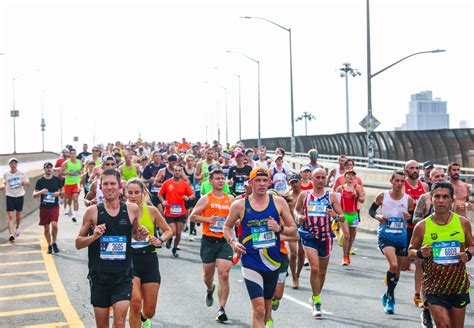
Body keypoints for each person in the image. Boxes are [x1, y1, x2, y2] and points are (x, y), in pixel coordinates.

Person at [223, 167, 298, 328]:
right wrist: (233, 242)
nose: (262, 184)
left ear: (270, 182)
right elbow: (227, 227)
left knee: (265, 308)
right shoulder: (239, 205)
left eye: (265, 180)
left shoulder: (278, 202)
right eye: (258, 180)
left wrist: (279, 229)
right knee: (258, 309)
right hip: (251, 262)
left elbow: (293, 229)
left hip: (272, 263)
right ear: (250, 183)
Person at [75, 169, 149, 328]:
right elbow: (78, 243)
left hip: (123, 277)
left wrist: (142, 234)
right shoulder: (92, 212)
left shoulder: (131, 209)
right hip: (99, 278)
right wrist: (94, 236)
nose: (109, 187)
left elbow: (135, 234)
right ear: (100, 187)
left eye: (113, 183)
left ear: (120, 185)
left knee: (120, 322)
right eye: (106, 184)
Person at [409, 182, 473, 328]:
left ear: (452, 199)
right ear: (431, 199)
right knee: (443, 325)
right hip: (434, 286)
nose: (441, 200)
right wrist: (420, 253)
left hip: (458, 285)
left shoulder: (463, 223)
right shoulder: (422, 226)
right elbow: (410, 250)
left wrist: (468, 254)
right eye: (437, 196)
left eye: (445, 197)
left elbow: (472, 245)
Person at [295, 168, 343, 318]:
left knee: (322, 272)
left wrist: (335, 215)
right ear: (312, 179)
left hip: (326, 237)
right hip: (309, 235)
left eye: (323, 177)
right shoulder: (305, 195)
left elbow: (342, 217)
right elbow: (296, 211)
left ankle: (315, 295)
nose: (321, 180)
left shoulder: (332, 197)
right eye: (318, 177)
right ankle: (317, 302)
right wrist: (299, 217)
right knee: (314, 268)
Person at [189, 167, 234, 323]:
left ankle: (221, 309)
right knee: (207, 276)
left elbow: (237, 217)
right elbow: (193, 216)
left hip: (225, 241)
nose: (221, 180)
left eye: (223, 178)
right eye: (217, 178)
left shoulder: (231, 199)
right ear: (211, 181)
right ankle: (210, 289)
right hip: (208, 241)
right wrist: (208, 220)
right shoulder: (206, 198)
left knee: (224, 274)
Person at [126, 179, 172, 328]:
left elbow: (168, 230)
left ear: (143, 193)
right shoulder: (121, 211)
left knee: (149, 311)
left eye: (136, 193)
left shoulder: (151, 210)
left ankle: (144, 318)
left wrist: (160, 239)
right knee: (135, 302)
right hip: (130, 259)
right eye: (130, 193)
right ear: (125, 193)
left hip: (149, 259)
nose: (133, 196)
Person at [369, 170, 415, 314]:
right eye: (397, 181)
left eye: (402, 181)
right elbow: (371, 211)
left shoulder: (408, 200)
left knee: (397, 271)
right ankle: (390, 298)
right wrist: (378, 216)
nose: (399, 183)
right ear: (391, 181)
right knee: (393, 265)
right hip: (385, 236)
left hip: (401, 237)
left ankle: (388, 292)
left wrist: (409, 216)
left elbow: (413, 218)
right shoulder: (383, 196)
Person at [403, 160, 429, 306]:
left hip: (419, 229)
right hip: (404, 229)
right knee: (402, 265)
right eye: (411, 168)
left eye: (417, 168)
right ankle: (392, 274)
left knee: (420, 262)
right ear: (405, 170)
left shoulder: (424, 186)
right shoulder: (402, 185)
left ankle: (418, 295)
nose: (415, 170)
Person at [158, 165, 195, 258]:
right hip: (169, 212)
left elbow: (193, 195)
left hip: (181, 212)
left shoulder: (184, 184)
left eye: (179, 170)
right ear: (172, 172)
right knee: (173, 231)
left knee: (178, 233)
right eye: (175, 170)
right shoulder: (167, 183)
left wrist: (188, 197)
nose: (177, 172)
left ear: (181, 172)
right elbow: (160, 194)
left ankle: (174, 248)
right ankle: (170, 238)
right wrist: (163, 201)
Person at [335, 170, 364, 266]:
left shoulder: (357, 187)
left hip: (354, 214)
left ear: (354, 178)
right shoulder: (340, 188)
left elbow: (362, 200)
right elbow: (335, 201)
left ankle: (347, 253)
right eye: (349, 175)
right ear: (345, 177)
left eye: (353, 175)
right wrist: (337, 213)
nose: (351, 177)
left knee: (351, 237)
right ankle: (345, 257)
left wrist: (357, 197)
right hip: (344, 214)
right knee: (347, 235)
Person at [33, 162, 63, 254]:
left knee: (54, 225)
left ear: (52, 169)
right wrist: (41, 192)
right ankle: (49, 245)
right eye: (47, 168)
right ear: (44, 169)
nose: (49, 169)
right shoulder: (40, 181)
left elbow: (63, 191)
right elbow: (34, 195)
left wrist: (59, 193)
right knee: (46, 228)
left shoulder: (57, 180)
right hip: (44, 207)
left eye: (50, 167)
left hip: (54, 206)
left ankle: (54, 242)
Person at [284, 174, 305, 289]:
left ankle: (297, 274)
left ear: (300, 181)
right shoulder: (287, 196)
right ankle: (294, 278)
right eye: (292, 182)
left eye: (296, 181)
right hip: (291, 226)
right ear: (289, 183)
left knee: (302, 254)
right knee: (293, 253)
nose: (295, 184)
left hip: (303, 226)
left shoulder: (305, 195)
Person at [2, 158, 30, 242]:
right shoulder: (6, 174)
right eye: (11, 163)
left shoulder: (22, 173)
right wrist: (3, 187)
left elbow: (28, 183)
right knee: (10, 216)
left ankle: (17, 227)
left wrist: (23, 182)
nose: (13, 165)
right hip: (9, 196)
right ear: (9, 165)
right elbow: (4, 183)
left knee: (18, 215)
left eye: (15, 163)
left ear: (16, 164)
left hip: (19, 196)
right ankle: (11, 234)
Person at [60, 148, 83, 222]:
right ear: (69, 155)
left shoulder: (80, 162)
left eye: (74, 153)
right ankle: (69, 207)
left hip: (77, 183)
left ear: (76, 154)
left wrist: (80, 172)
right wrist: (69, 173)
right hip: (68, 183)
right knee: (69, 198)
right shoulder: (66, 163)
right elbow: (61, 172)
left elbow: (82, 170)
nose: (73, 155)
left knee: (75, 198)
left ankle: (75, 215)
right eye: (71, 153)